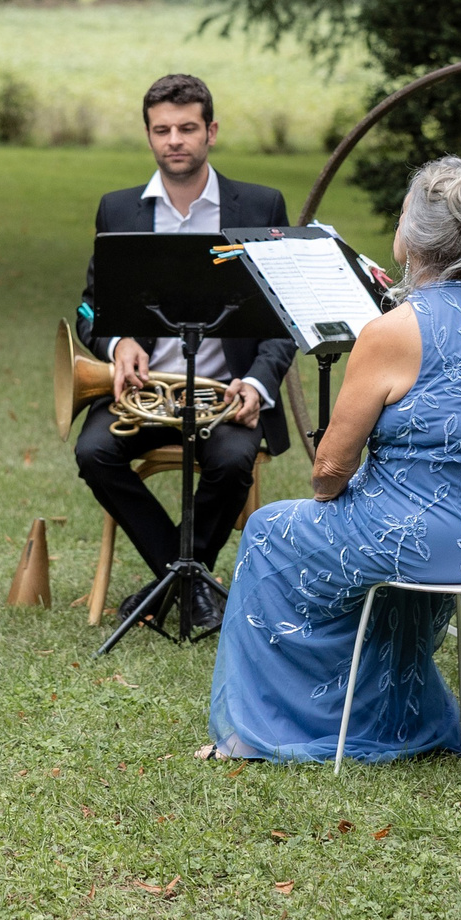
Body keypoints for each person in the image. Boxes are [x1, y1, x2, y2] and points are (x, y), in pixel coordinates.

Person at [209, 158, 461, 761]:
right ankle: (386, 716)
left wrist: (343, 483)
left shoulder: (393, 329)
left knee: (268, 532)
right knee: (374, 546)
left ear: (412, 235)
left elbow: (328, 473)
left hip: (435, 540)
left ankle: (276, 726)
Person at [74, 74, 295, 632]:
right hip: (146, 397)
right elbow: (87, 311)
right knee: (94, 452)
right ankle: (190, 579)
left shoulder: (260, 205)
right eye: (162, 130)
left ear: (211, 131)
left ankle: (170, 582)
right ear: (149, 135)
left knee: (231, 460)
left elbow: (284, 317)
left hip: (229, 396)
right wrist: (117, 342)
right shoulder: (118, 210)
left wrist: (260, 384)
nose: (175, 140)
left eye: (187, 128)